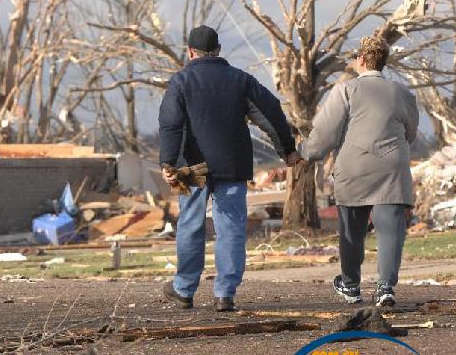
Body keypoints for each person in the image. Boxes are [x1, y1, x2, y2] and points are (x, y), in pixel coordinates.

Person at [159, 25, 300, 311]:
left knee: (189, 225)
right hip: (232, 163)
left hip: (191, 167)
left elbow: (171, 123)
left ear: (189, 51)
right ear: (219, 50)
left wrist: (169, 161)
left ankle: (184, 289)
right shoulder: (241, 80)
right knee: (231, 227)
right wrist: (287, 149)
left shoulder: (180, 82)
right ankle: (225, 293)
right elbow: (271, 112)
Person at [297, 35, 418, 307]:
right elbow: (410, 133)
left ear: (361, 60)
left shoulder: (345, 91)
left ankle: (351, 284)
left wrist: (305, 152)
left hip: (354, 168)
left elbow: (325, 134)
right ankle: (385, 287)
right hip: (391, 169)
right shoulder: (403, 93)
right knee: (390, 231)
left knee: (352, 230)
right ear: (383, 62)